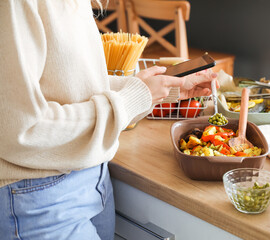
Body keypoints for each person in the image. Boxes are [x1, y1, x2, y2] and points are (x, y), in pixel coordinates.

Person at [0, 0, 217, 239]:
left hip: (95, 176)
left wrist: (164, 88)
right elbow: (22, 129)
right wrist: (132, 99)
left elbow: (78, 85)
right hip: (40, 196)